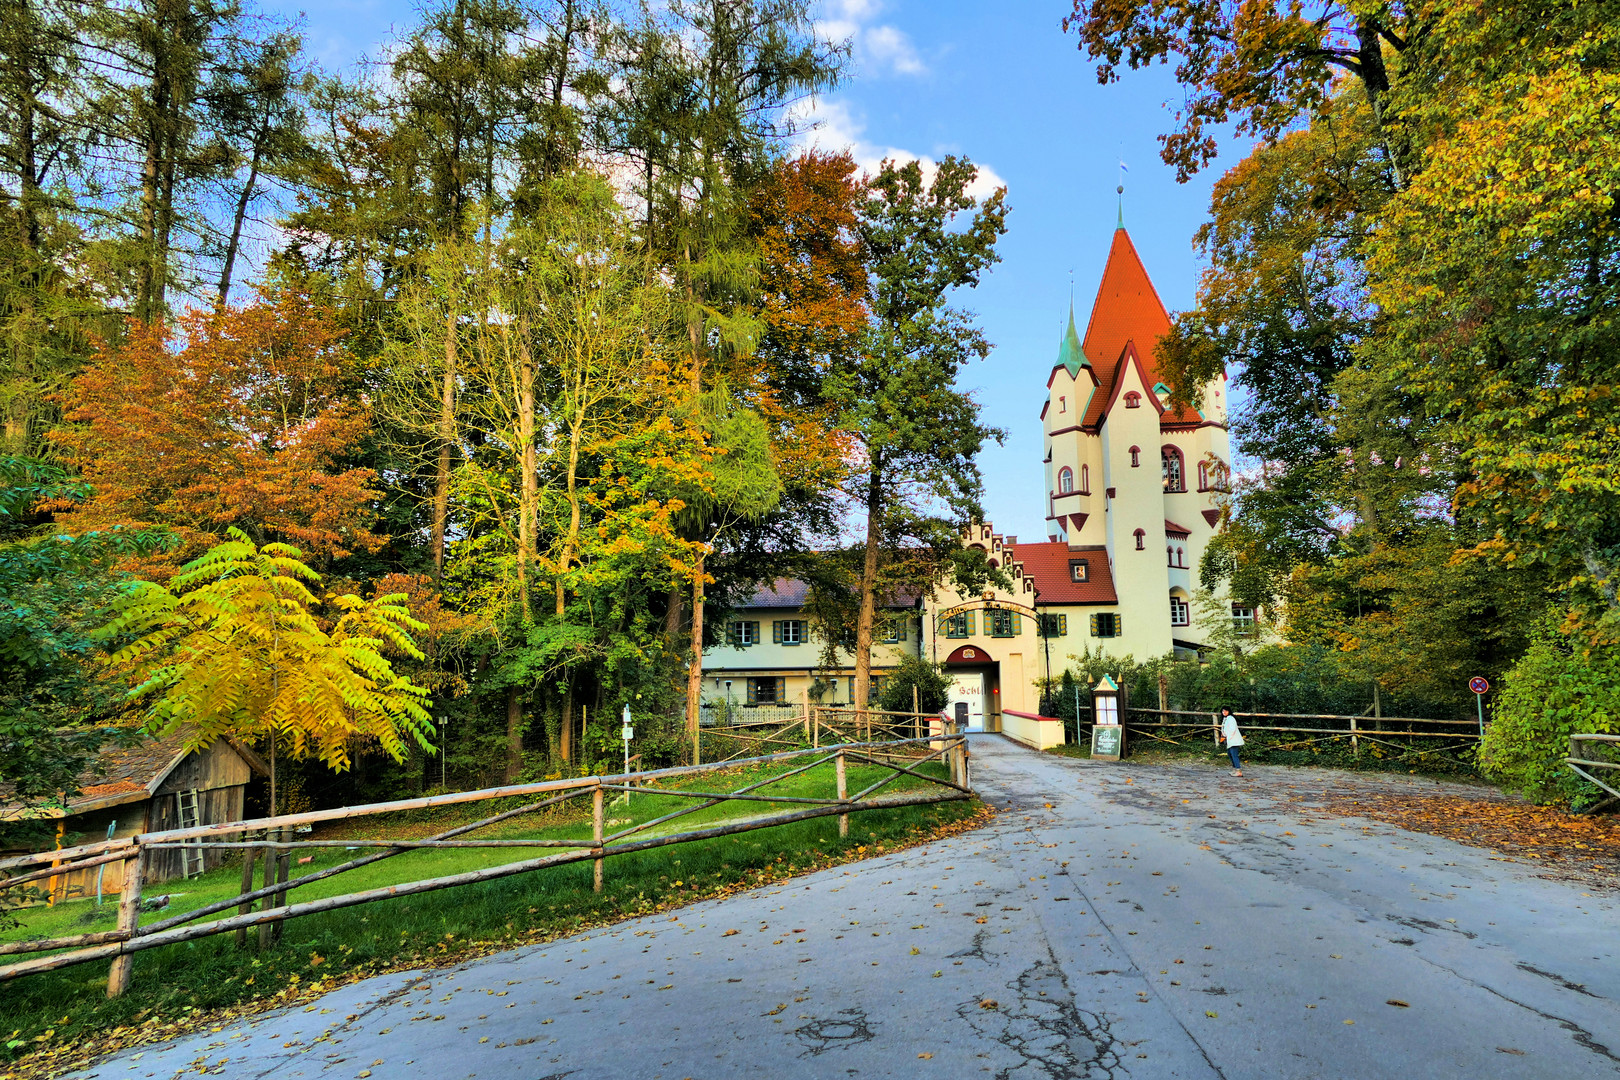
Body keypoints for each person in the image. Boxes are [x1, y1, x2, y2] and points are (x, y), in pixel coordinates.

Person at [1216, 707, 1245, 776]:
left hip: (1233, 739)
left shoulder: (1231, 718)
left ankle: (1238, 770)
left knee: (1234, 755)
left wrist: (1226, 735)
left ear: (1229, 711)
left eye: (1226, 711)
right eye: (1223, 711)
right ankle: (1235, 769)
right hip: (1229, 739)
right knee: (1230, 754)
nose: (1224, 712)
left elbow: (1232, 729)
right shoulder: (1225, 719)